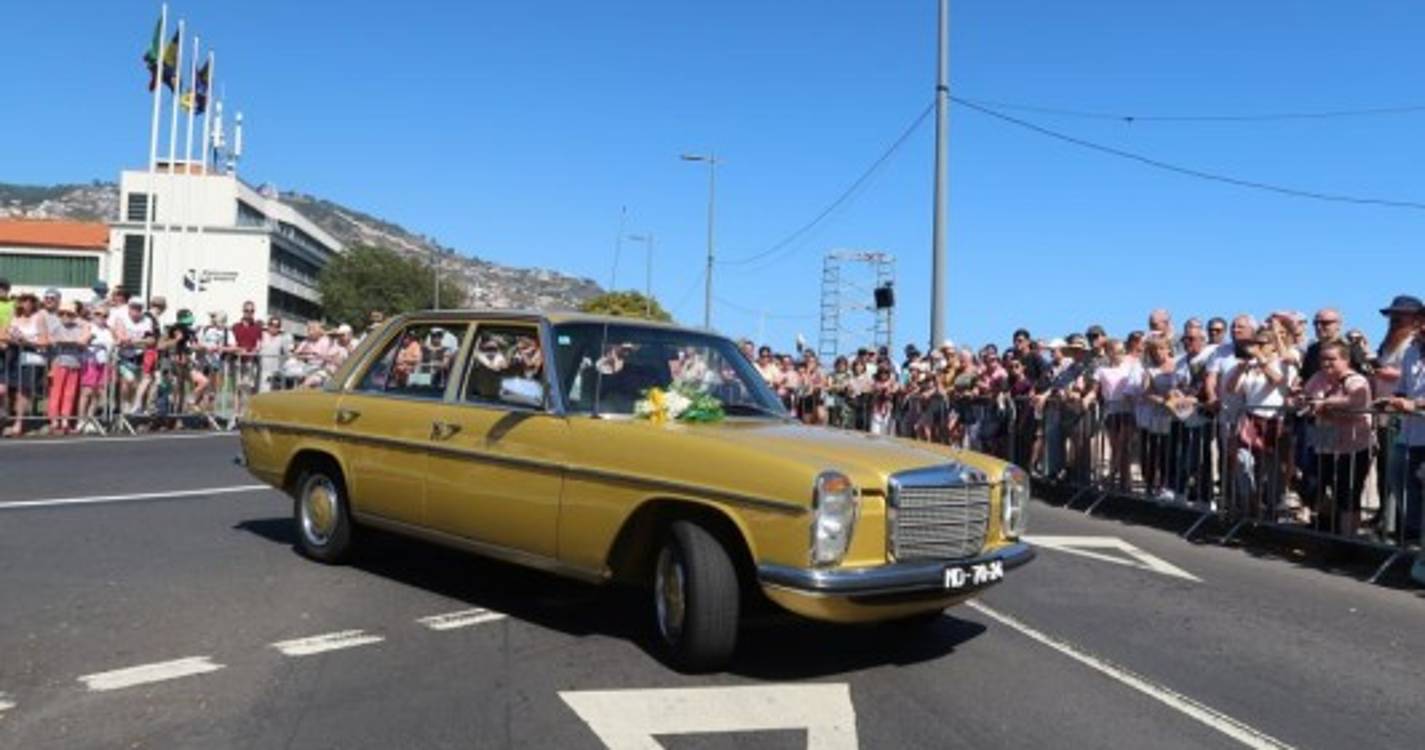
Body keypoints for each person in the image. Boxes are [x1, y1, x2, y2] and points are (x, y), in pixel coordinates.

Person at [1301, 341, 1372, 535]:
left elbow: (1357, 401)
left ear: (1345, 360)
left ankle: (1347, 540)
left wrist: (1326, 403)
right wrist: (1301, 400)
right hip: (1323, 439)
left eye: (1332, 359)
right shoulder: (1317, 377)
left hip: (1352, 444)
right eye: (1323, 359)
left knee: (1347, 493)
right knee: (1312, 486)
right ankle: (1329, 524)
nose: (1326, 363)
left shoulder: (1356, 380)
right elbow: (1303, 397)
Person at [1383, 313, 1425, 542]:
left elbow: (1414, 399)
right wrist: (1391, 401)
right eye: (1420, 323)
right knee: (1398, 477)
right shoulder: (1411, 351)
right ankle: (1416, 535)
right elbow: (1403, 388)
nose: (1421, 328)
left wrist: (1415, 404)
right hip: (1409, 433)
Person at [5, 294, 49, 436]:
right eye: (24, 300)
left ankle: (19, 423)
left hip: (31, 358)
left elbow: (45, 341)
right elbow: (3, 334)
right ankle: (10, 419)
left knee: (23, 391)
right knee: (9, 390)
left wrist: (28, 342)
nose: (27, 303)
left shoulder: (38, 317)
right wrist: (12, 340)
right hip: (13, 356)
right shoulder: (14, 317)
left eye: (31, 301)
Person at [46, 301, 91, 434]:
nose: (65, 316)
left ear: (74, 315)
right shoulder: (56, 327)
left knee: (69, 394)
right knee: (56, 393)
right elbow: (52, 340)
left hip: (74, 364)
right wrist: (72, 342)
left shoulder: (78, 328)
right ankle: (54, 421)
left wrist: (70, 342)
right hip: (59, 363)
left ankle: (65, 420)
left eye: (69, 314)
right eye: (63, 314)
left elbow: (83, 341)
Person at [78, 305, 114, 429]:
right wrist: (89, 338)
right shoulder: (89, 326)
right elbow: (81, 342)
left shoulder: (109, 329)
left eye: (105, 315)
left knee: (98, 393)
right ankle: (80, 420)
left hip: (105, 363)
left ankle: (90, 419)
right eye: (98, 314)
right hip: (91, 362)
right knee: (87, 392)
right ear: (93, 315)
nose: (101, 317)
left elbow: (117, 341)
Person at [257, 317, 291, 392]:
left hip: (275, 371)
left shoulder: (281, 338)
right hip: (262, 370)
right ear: (268, 325)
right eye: (271, 325)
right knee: (261, 391)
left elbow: (288, 352)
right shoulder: (262, 335)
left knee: (272, 393)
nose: (274, 327)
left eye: (277, 326)